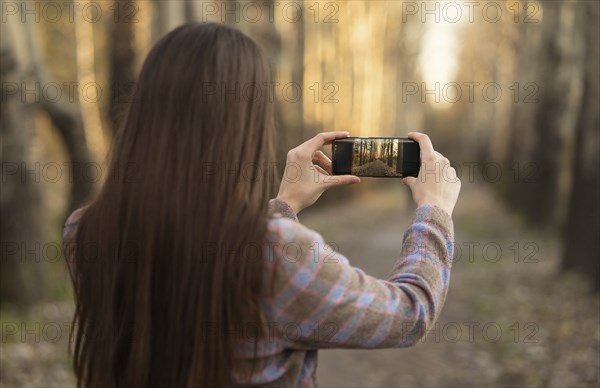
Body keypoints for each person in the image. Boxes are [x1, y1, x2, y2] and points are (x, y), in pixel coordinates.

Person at [63, 22, 461, 387]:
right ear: (245, 123)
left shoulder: (85, 232)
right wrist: (434, 212)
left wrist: (283, 206)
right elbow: (410, 313)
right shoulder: (278, 254)